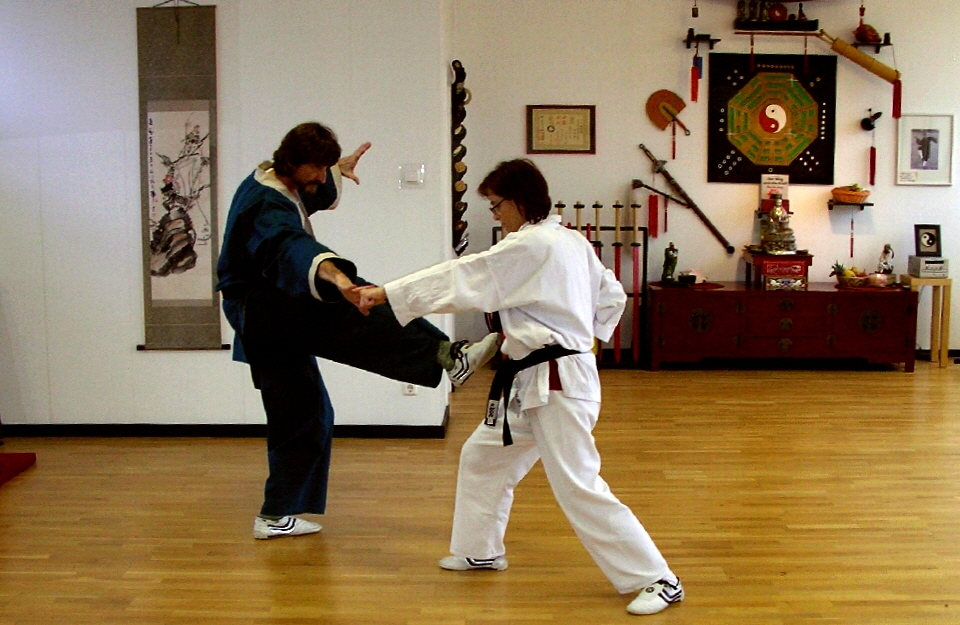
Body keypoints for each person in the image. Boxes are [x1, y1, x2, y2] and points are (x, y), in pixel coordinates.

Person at [358, 159, 683, 616]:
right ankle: (481, 549)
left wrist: (389, 292)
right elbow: (613, 296)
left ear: (520, 201)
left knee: (577, 484)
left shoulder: (531, 245)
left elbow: (466, 275)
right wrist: (578, 334)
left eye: (496, 205)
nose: (494, 214)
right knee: (483, 457)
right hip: (537, 379)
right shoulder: (571, 241)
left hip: (557, 383)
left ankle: (658, 578)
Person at [216, 122, 498, 540]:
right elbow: (289, 245)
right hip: (265, 314)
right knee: (358, 308)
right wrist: (337, 279)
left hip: (272, 310)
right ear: (292, 162)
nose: (320, 178)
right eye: (317, 169)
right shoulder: (264, 204)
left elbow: (307, 200)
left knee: (307, 411)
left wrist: (336, 171)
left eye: (325, 168)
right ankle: (445, 356)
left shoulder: (274, 177)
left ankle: (277, 514)